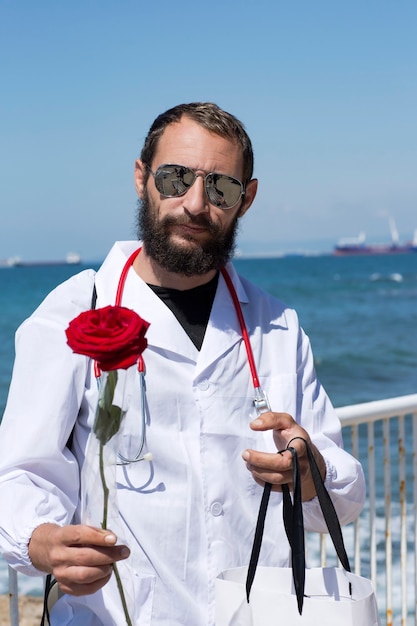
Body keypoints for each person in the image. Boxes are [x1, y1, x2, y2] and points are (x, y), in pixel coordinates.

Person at [0, 102, 365, 625]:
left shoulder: (278, 326)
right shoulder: (75, 310)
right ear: (141, 176)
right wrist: (43, 542)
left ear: (247, 199)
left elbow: (341, 500)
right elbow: (18, 473)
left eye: (221, 187)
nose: (195, 203)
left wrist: (311, 473)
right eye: (175, 178)